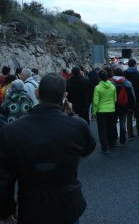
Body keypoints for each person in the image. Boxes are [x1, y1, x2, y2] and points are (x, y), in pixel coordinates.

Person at [0, 73, 96, 223]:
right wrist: (71, 114)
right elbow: (88, 148)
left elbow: (4, 177)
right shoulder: (77, 126)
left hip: (31, 207)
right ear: (64, 96)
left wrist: (6, 211)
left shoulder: (11, 130)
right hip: (67, 204)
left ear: (37, 93)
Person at [93, 69, 117, 153]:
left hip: (101, 111)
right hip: (111, 109)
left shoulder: (97, 88)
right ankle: (112, 143)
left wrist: (94, 112)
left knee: (102, 129)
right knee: (111, 127)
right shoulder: (113, 86)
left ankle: (104, 146)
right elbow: (115, 99)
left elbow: (96, 102)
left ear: (99, 78)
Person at [112, 67, 136, 146]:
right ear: (122, 74)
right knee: (122, 123)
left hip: (113, 106)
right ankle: (123, 140)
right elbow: (132, 96)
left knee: (113, 123)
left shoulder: (111, 83)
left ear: (114, 73)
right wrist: (132, 107)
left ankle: (114, 138)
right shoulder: (127, 83)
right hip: (124, 106)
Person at [124, 59, 139, 138]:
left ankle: (130, 134)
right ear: (135, 64)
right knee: (138, 115)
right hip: (137, 98)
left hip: (127, 98)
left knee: (129, 116)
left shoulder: (124, 74)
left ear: (128, 65)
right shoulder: (138, 75)